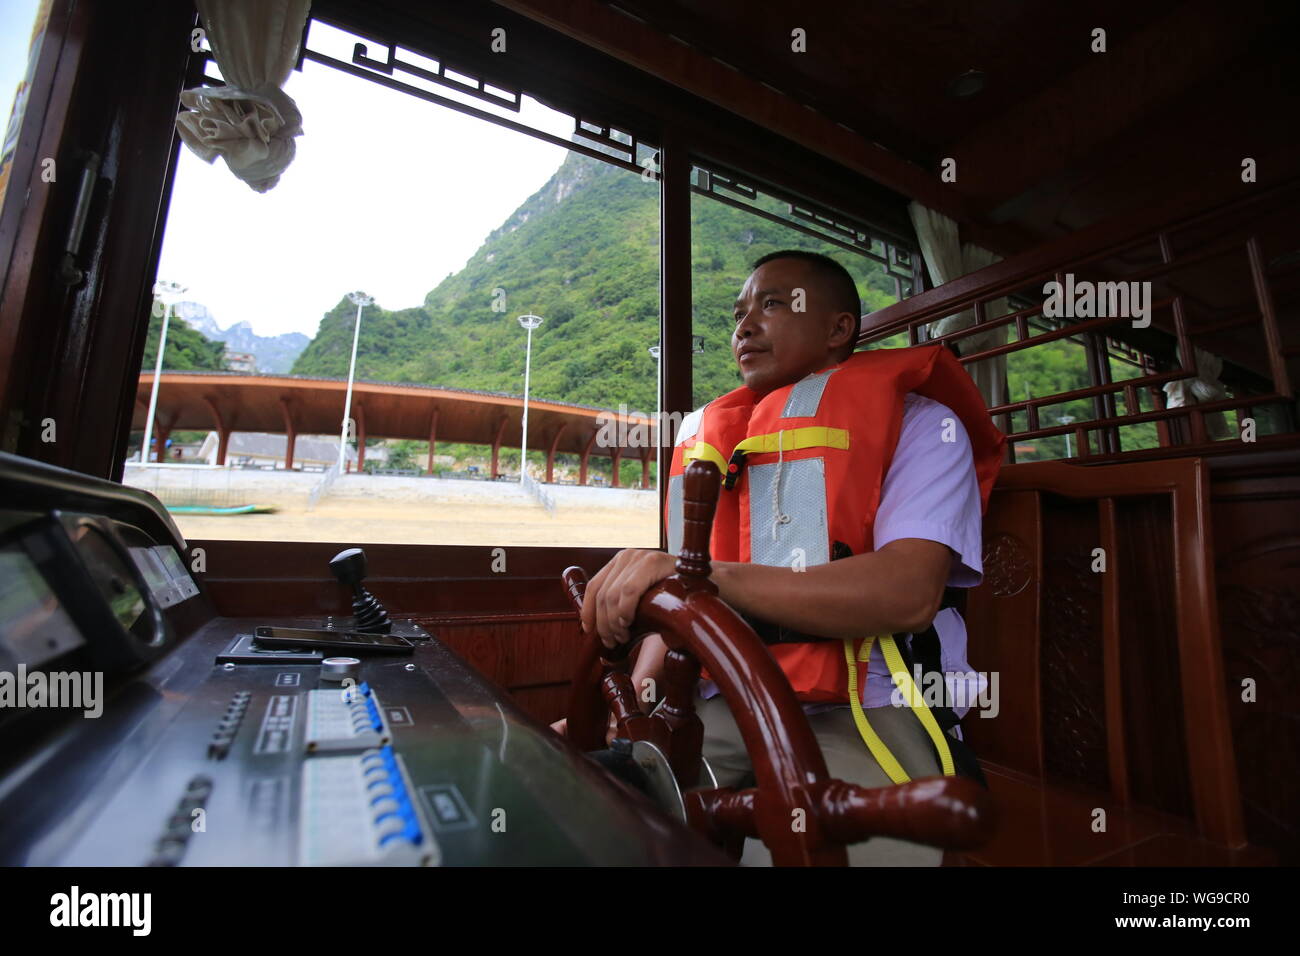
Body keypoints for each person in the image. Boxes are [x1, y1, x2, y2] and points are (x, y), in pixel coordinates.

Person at [554, 249, 1004, 865]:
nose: (744, 325)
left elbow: (908, 592)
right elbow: (684, 606)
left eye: (772, 304)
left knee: (814, 853)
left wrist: (706, 580)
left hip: (866, 710)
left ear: (839, 328)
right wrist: (635, 701)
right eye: (739, 312)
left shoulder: (925, 426)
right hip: (721, 700)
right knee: (583, 810)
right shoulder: (714, 445)